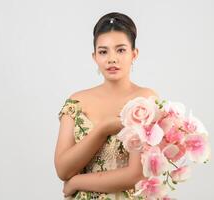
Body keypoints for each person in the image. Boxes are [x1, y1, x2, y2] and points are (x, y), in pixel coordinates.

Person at [54, 12, 159, 200]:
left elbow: (136, 174)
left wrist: (76, 182)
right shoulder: (76, 102)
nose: (112, 59)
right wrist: (103, 129)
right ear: (94, 57)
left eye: (120, 50)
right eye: (103, 51)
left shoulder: (145, 100)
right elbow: (63, 169)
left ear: (134, 54)